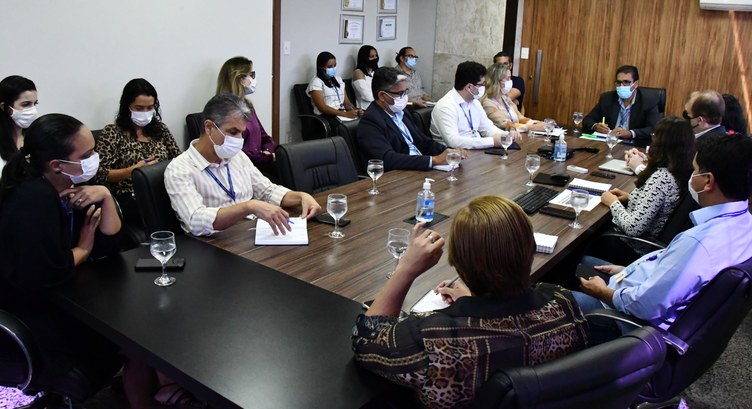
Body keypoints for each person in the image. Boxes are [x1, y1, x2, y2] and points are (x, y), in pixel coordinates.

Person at [352, 196, 589, 409]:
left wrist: (405, 269)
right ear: (531, 250)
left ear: (457, 263)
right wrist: (472, 300)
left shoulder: (434, 339)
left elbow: (365, 340)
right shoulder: (563, 301)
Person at [0, 113, 159, 409]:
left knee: (143, 323)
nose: (94, 159)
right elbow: (45, 273)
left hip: (72, 293)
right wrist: (83, 250)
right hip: (33, 313)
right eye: (86, 155)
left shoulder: (70, 183)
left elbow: (114, 242)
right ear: (56, 165)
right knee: (138, 338)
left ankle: (150, 394)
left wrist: (107, 196)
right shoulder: (32, 198)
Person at [576, 133, 752, 340]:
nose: (691, 176)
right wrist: (628, 270)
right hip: (644, 291)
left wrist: (603, 292)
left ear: (708, 181)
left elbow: (645, 306)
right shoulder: (744, 222)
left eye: (695, 170)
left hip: (630, 326)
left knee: (552, 297)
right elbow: (675, 274)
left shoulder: (698, 244)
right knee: (584, 263)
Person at [165, 94, 320, 237]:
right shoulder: (179, 169)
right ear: (209, 127)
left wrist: (300, 196)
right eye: (233, 132)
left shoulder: (237, 156)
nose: (239, 139)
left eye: (241, 133)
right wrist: (249, 206)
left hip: (248, 236)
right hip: (214, 245)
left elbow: (267, 190)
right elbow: (195, 220)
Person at [593, 117, 695, 265]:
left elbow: (633, 228)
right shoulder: (682, 170)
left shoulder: (662, 178)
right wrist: (630, 197)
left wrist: (613, 202)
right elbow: (659, 206)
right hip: (649, 245)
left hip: (634, 249)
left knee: (588, 236)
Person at [93, 78, 181, 242]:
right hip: (129, 195)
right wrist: (133, 171)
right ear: (127, 107)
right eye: (139, 108)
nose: (145, 112)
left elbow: (179, 159)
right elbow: (99, 174)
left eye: (150, 108)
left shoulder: (160, 130)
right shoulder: (112, 133)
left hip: (164, 188)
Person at [357, 67, 461, 171]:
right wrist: (433, 160)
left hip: (420, 168)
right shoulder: (370, 122)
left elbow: (424, 142)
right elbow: (388, 159)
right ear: (382, 96)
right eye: (400, 93)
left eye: (406, 92)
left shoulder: (403, 112)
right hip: (399, 176)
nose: (405, 97)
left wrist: (451, 152)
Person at [216, 56, 278, 180]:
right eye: (250, 75)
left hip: (260, 162)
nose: (252, 80)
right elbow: (236, 153)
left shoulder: (248, 106)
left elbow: (265, 137)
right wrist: (268, 157)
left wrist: (268, 150)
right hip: (241, 168)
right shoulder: (224, 110)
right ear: (239, 79)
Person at [430, 61, 517, 149]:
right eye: (482, 84)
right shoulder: (446, 106)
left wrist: (506, 135)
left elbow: (487, 128)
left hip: (476, 152)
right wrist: (492, 141)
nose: (485, 87)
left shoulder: (475, 102)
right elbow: (453, 141)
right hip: (454, 156)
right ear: (469, 87)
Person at [582, 65, 662, 146]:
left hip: (634, 146)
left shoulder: (648, 101)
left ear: (636, 84)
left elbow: (654, 129)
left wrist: (630, 133)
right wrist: (596, 126)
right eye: (619, 83)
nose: (621, 86)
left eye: (626, 82)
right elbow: (587, 120)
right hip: (609, 144)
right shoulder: (607, 98)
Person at [481, 63, 544, 133]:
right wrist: (533, 127)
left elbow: (520, 117)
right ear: (497, 81)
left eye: (510, 78)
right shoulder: (488, 103)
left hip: (517, 135)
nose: (510, 81)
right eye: (507, 78)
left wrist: (537, 123)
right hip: (503, 138)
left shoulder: (505, 98)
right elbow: (506, 125)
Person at [307, 51, 362, 128]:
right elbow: (322, 108)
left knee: (364, 121)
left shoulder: (338, 80)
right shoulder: (316, 82)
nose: (333, 68)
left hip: (341, 113)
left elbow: (347, 103)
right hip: (327, 117)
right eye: (330, 67)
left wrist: (356, 110)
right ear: (321, 68)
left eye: (335, 65)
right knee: (344, 128)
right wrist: (345, 114)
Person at [0, 75, 38, 172]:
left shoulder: (35, 137)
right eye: (26, 104)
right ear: (5, 107)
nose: (33, 110)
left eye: (35, 104)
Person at [352, 45, 379, 110]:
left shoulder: (375, 71)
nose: (375, 58)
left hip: (379, 106)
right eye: (372, 56)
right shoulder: (358, 73)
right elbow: (367, 97)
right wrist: (382, 96)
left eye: (376, 56)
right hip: (366, 109)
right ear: (365, 58)